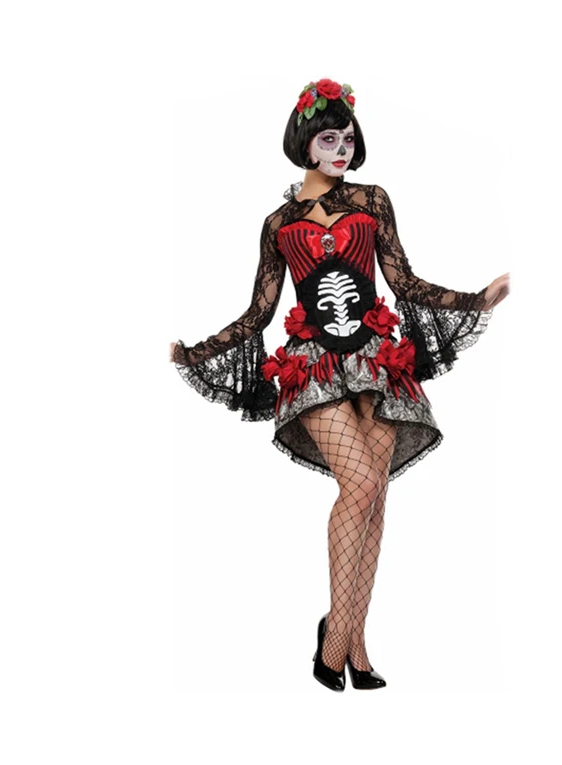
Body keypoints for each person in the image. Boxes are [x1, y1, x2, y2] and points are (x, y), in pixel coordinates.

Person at [170, 79, 510, 692]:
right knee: (360, 482)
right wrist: (196, 353)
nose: (342, 149)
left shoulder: (373, 201)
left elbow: (403, 281)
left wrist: (476, 299)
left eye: (348, 139)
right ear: (305, 143)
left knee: (376, 495)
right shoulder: (279, 223)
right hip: (314, 365)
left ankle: (354, 640)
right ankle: (334, 638)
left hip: (377, 359)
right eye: (329, 139)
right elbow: (259, 312)